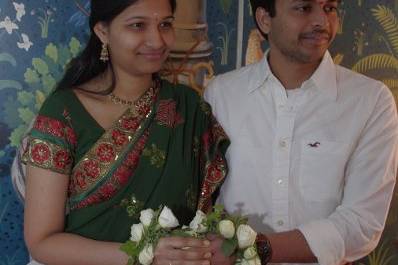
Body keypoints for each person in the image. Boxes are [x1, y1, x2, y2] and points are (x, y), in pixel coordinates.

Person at [22, 0, 229, 264]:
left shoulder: (187, 108)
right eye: (138, 25)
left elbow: (202, 219)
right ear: (103, 32)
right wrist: (145, 255)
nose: (157, 40)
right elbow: (42, 242)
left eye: (165, 24)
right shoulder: (63, 112)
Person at [204, 0, 398, 264]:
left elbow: (362, 224)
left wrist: (258, 247)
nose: (322, 21)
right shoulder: (221, 95)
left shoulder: (370, 101)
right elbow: (202, 199)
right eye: (304, 8)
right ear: (264, 19)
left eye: (329, 7)